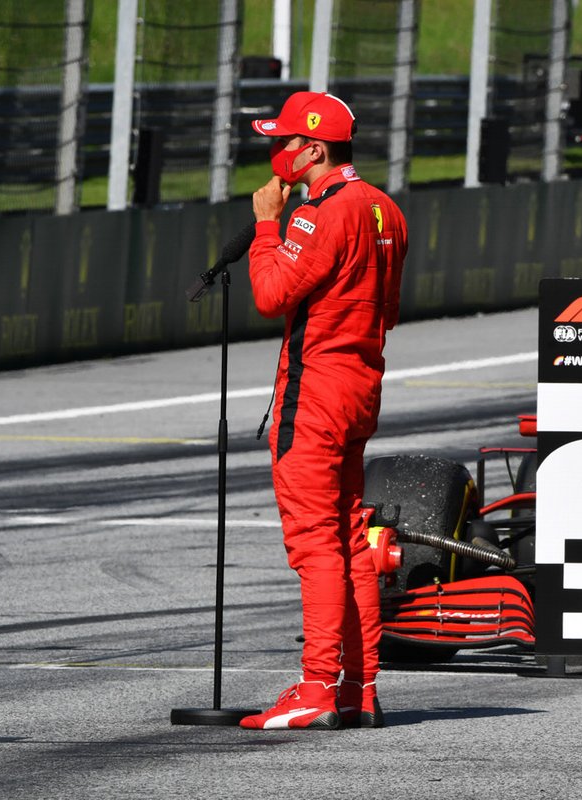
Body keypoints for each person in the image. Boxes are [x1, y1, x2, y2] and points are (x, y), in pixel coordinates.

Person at [240, 91, 407, 730]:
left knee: (314, 544)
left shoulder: (319, 212)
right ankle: (359, 690)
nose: (275, 153)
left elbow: (271, 293)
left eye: (282, 142)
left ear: (312, 148)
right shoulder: (386, 208)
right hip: (362, 386)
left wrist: (264, 227)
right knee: (349, 539)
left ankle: (315, 687)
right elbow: (387, 308)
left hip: (313, 395)